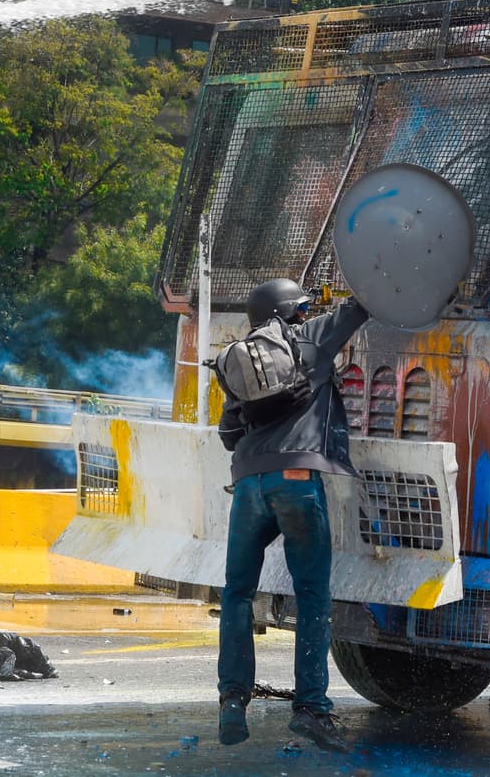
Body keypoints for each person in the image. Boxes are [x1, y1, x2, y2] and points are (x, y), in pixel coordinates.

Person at [215, 278, 368, 754]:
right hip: (297, 480)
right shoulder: (310, 337)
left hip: (248, 484)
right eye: (303, 307)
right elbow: (362, 307)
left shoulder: (243, 360)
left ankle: (233, 701)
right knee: (313, 596)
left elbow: (228, 433)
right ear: (293, 311)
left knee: (238, 592)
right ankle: (312, 711)